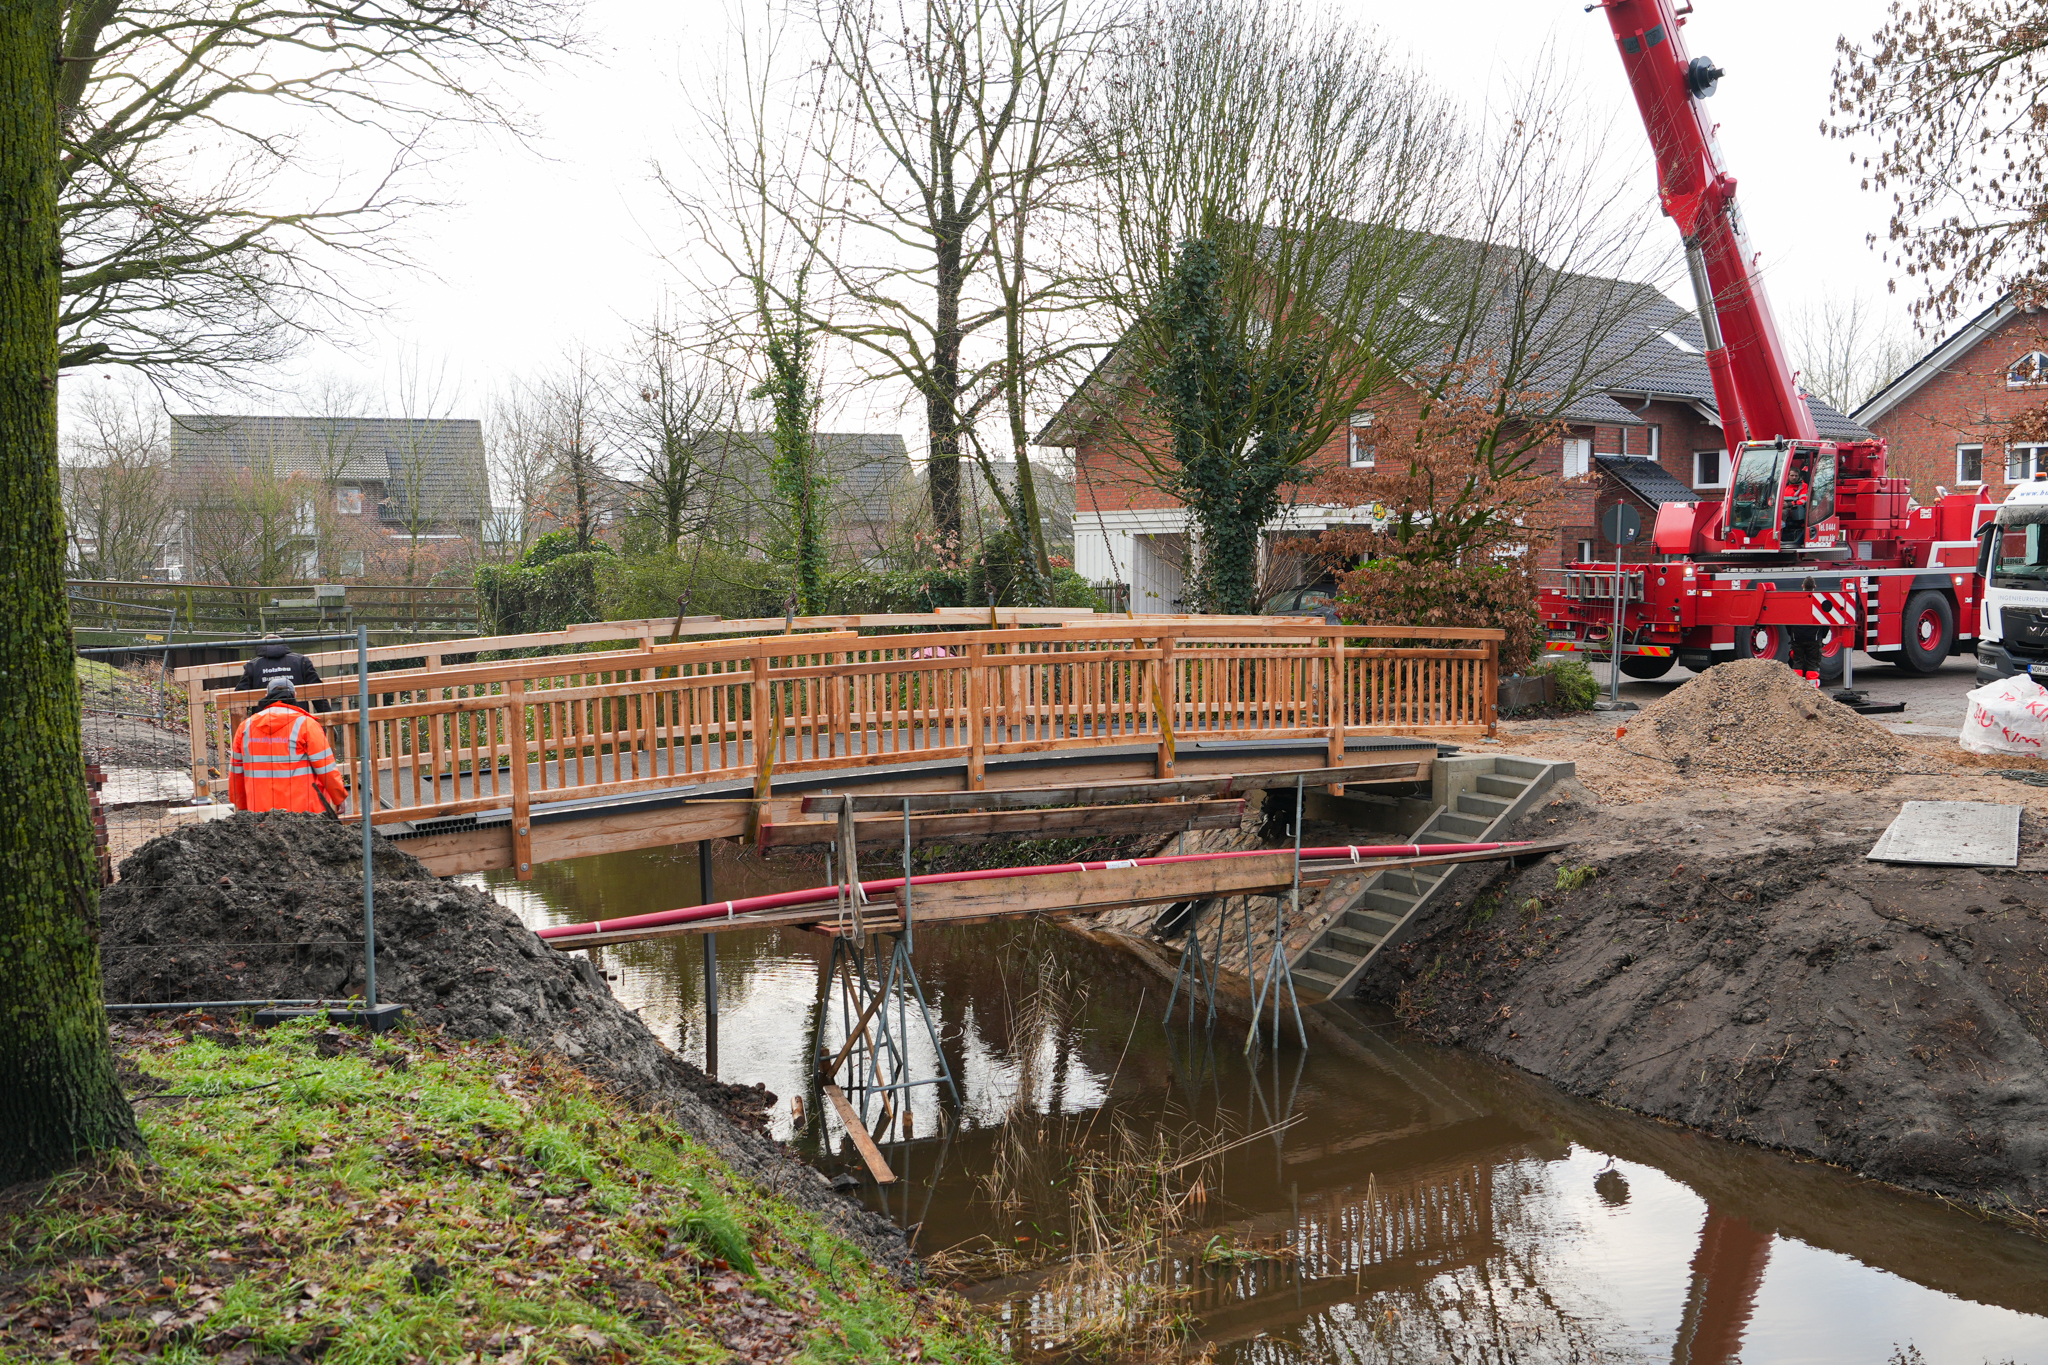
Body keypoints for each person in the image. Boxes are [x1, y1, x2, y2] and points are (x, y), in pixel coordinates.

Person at [228, 677, 349, 814]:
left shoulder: (246, 727)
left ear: (267, 696)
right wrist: (339, 797)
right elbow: (326, 768)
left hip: (259, 813)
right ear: (294, 696)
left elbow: (236, 772)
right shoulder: (306, 725)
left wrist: (243, 806)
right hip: (303, 815)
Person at [235, 633, 330, 712]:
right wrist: (328, 719)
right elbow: (317, 691)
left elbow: (239, 699)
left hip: (265, 723)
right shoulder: (301, 661)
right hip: (297, 720)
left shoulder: (253, 666)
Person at [1787, 576, 1827, 689]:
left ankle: (1797, 688)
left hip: (1797, 637)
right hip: (1814, 639)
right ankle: (1812, 689)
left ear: (1802, 586)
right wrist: (1821, 636)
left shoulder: (1796, 602)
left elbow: (1788, 621)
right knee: (1813, 664)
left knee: (1797, 662)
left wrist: (1792, 634)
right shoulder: (1819, 602)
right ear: (1815, 587)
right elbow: (1826, 623)